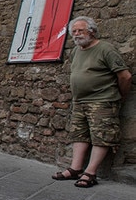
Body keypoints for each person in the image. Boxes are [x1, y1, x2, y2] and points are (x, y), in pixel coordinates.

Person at [52, 16, 131, 188]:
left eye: (81, 30)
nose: (77, 34)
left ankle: (91, 172)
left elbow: (125, 76)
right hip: (80, 101)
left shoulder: (106, 49)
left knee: (101, 136)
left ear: (92, 31)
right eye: (74, 31)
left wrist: (120, 96)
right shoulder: (76, 51)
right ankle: (76, 168)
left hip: (102, 101)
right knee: (79, 134)